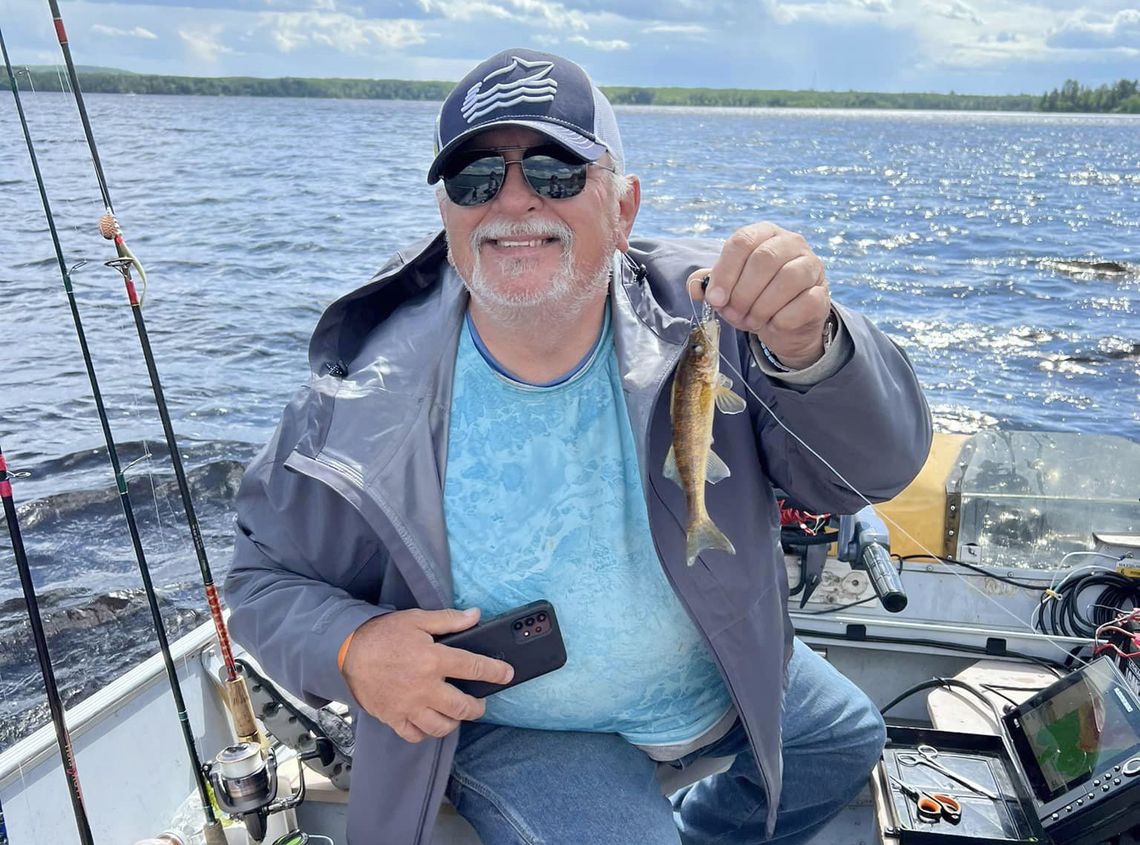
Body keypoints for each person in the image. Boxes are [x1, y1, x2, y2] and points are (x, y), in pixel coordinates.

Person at [225, 47, 932, 845]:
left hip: (720, 671)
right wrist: (353, 646)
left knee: (845, 737)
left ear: (624, 207)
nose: (514, 201)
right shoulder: (360, 391)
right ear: (447, 212)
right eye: (475, 178)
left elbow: (869, 471)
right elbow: (258, 580)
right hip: (518, 723)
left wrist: (814, 348)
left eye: (557, 171)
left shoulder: (718, 317)